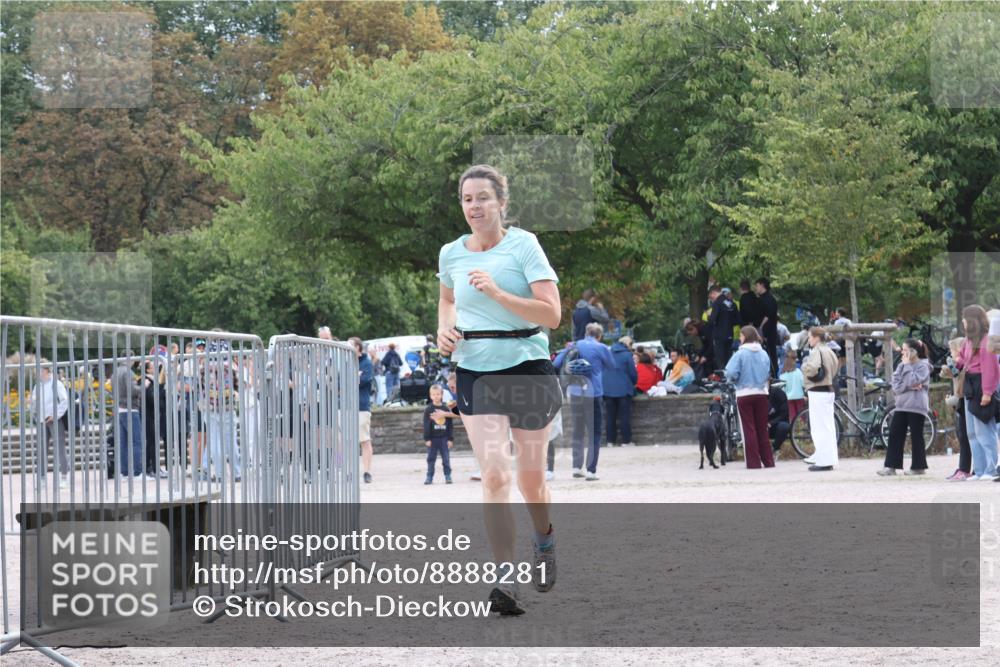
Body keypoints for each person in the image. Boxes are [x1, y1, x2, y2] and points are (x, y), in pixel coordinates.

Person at [436, 164, 563, 615]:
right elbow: (448, 300)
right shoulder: (451, 253)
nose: (474, 207)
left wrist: (496, 294)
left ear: (501, 203)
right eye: (467, 199)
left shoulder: (523, 246)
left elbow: (551, 315)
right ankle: (505, 580)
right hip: (475, 369)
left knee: (531, 481)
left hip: (527, 365)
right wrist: (444, 331)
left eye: (483, 198)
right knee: (494, 474)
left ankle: (544, 538)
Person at [554, 322, 615, 480]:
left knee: (577, 431)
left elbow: (556, 363)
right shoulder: (601, 348)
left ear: (586, 333)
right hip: (593, 392)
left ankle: (576, 467)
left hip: (574, 392)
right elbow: (612, 365)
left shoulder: (574, 345)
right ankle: (591, 470)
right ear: (599, 335)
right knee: (594, 432)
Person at [955, 305, 999, 481]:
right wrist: (958, 361)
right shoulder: (968, 340)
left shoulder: (985, 341)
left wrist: (987, 392)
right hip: (969, 386)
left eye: (965, 319)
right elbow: (964, 361)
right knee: (972, 431)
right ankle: (979, 470)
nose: (963, 322)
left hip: (981, 385)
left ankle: (991, 468)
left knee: (984, 430)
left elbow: (990, 369)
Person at [877, 339, 932, 476]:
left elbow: (913, 380)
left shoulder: (923, 366)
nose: (902, 352)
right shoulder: (901, 365)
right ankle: (891, 466)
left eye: (905, 349)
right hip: (901, 406)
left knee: (916, 435)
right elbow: (896, 386)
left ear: (913, 352)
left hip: (916, 406)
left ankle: (919, 467)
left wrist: (908, 370)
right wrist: (909, 385)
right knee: (895, 433)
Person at [724, 326, 774, 469]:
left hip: (744, 393)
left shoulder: (739, 354)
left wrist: (734, 380)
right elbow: (767, 372)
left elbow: (731, 373)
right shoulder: (764, 353)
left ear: (745, 337)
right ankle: (768, 461)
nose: (739, 339)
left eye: (740, 336)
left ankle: (753, 463)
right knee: (762, 429)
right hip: (761, 393)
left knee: (749, 429)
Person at [801, 327, 839, 471]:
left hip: (818, 390)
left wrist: (805, 367)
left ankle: (824, 460)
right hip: (828, 388)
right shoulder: (829, 350)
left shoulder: (817, 351)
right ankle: (825, 456)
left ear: (817, 337)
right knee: (828, 426)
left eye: (810, 337)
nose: (809, 340)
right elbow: (835, 366)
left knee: (819, 428)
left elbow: (813, 368)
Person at [30, 362, 71, 488]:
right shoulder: (38, 386)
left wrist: (55, 415)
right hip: (42, 421)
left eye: (40, 371)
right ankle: (41, 478)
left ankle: (64, 477)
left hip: (54, 420)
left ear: (47, 371)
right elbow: (33, 402)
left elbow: (64, 401)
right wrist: (34, 412)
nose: (38, 374)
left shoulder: (56, 384)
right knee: (41, 450)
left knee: (60, 449)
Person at [941, 337, 973, 480]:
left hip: (963, 400)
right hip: (959, 402)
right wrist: (947, 367)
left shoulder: (964, 365)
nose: (951, 353)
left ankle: (965, 469)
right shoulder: (957, 363)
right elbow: (945, 374)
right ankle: (963, 468)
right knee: (962, 436)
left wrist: (953, 367)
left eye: (952, 350)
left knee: (965, 437)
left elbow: (958, 376)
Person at [113, 350, 146, 477]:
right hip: (130, 408)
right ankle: (138, 472)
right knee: (136, 441)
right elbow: (132, 390)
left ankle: (124, 471)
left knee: (123, 442)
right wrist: (143, 386)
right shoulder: (128, 372)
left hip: (119, 408)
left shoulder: (116, 371)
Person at [603, 335, 638, 447]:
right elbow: (633, 373)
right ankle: (626, 441)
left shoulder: (607, 353)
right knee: (624, 416)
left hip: (607, 389)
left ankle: (610, 441)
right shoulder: (627, 355)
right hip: (623, 389)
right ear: (628, 344)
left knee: (610, 417)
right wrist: (632, 383)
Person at [349, 337, 375, 484]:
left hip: (361, 406)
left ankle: (367, 471)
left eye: (351, 344)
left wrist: (352, 379)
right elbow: (338, 381)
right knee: (346, 441)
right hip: (345, 406)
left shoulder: (366, 363)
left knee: (364, 439)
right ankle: (349, 471)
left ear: (358, 347)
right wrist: (355, 377)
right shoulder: (344, 361)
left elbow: (364, 381)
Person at [423, 383, 454, 484]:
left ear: (441, 395)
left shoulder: (446, 409)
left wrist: (450, 439)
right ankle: (429, 476)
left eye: (438, 394)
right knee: (431, 459)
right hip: (433, 439)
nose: (436, 396)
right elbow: (426, 424)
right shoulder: (429, 409)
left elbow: (450, 424)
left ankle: (448, 475)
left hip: (444, 438)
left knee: (446, 459)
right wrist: (427, 438)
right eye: (433, 394)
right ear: (430, 395)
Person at [708, 286, 738, 370]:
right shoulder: (732, 303)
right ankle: (729, 376)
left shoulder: (717, 303)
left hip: (719, 336)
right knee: (728, 358)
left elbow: (712, 320)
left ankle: (723, 377)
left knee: (720, 359)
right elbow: (737, 320)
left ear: (713, 293)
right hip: (730, 334)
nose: (711, 299)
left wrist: (708, 317)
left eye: (711, 297)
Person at [755, 277, 780, 377]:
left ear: (762, 285)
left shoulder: (769, 299)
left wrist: (760, 328)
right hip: (764, 332)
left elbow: (768, 315)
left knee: (769, 355)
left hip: (767, 333)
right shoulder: (762, 299)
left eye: (757, 285)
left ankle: (772, 376)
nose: (756, 288)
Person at [779, 352, 806, 425]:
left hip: (788, 398)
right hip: (799, 396)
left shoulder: (782, 375)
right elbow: (803, 384)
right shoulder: (798, 372)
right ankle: (802, 428)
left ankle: (794, 428)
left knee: (792, 416)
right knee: (801, 414)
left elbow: (782, 389)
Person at [768, 379, 790, 455]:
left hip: (777, 423)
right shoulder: (757, 395)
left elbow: (784, 413)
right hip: (762, 425)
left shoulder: (778, 393)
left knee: (784, 426)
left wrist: (771, 423)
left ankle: (774, 448)